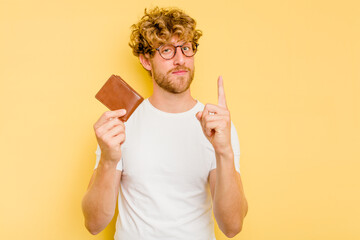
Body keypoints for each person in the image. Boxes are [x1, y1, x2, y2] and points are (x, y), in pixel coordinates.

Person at [82, 7, 248, 240]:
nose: (180, 60)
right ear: (146, 60)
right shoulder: (120, 125)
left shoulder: (216, 126)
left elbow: (232, 227)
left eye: (186, 48)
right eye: (167, 50)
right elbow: (94, 224)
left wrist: (224, 151)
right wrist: (109, 160)